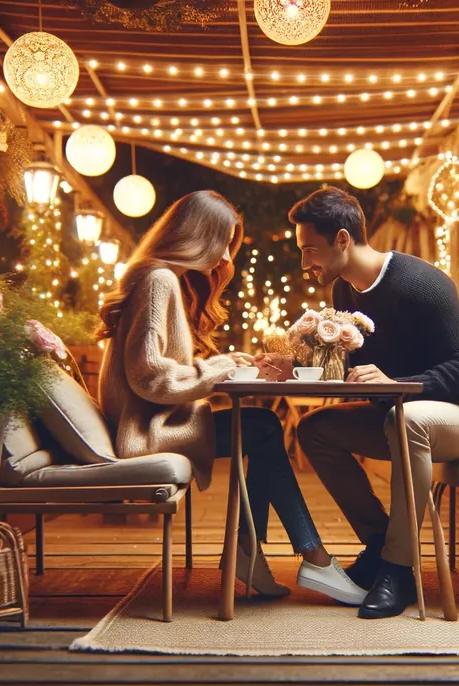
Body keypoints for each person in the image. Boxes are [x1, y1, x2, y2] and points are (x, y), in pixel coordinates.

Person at [97, 190, 366, 605]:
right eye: (223, 241)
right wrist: (221, 368)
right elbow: (149, 377)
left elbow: (156, 373)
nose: (225, 256)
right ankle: (308, 555)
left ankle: (253, 553)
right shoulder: (159, 280)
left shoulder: (159, 278)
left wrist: (225, 363)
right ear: (198, 235)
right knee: (261, 429)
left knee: (260, 428)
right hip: (145, 432)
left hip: (155, 423)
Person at [258, 186, 459, 619]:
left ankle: (399, 567)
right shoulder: (344, 294)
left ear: (342, 239)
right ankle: (380, 542)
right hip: (402, 415)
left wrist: (399, 384)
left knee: (403, 416)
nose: (306, 262)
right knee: (315, 429)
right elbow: (354, 368)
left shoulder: (420, 282)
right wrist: (297, 367)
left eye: (310, 250)